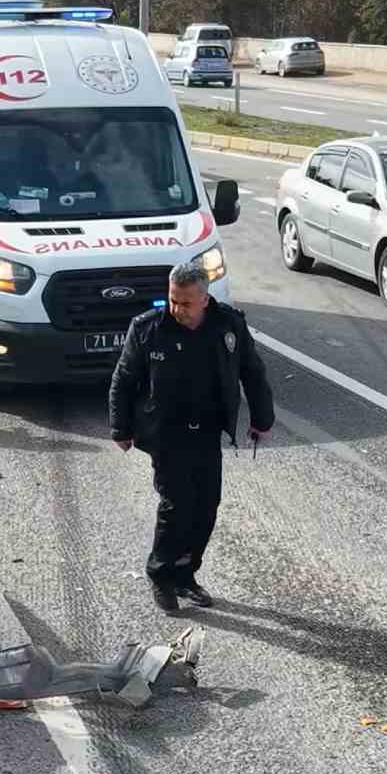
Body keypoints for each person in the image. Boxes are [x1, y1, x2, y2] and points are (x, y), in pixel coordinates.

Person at [109, 262, 275, 612]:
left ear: (204, 298)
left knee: (206, 506)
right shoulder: (147, 328)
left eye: (185, 303)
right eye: (172, 300)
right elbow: (123, 379)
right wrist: (120, 427)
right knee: (176, 505)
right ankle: (160, 574)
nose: (177, 309)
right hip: (165, 433)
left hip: (207, 430)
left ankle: (185, 574)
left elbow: (252, 370)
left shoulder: (228, 324)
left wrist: (262, 418)